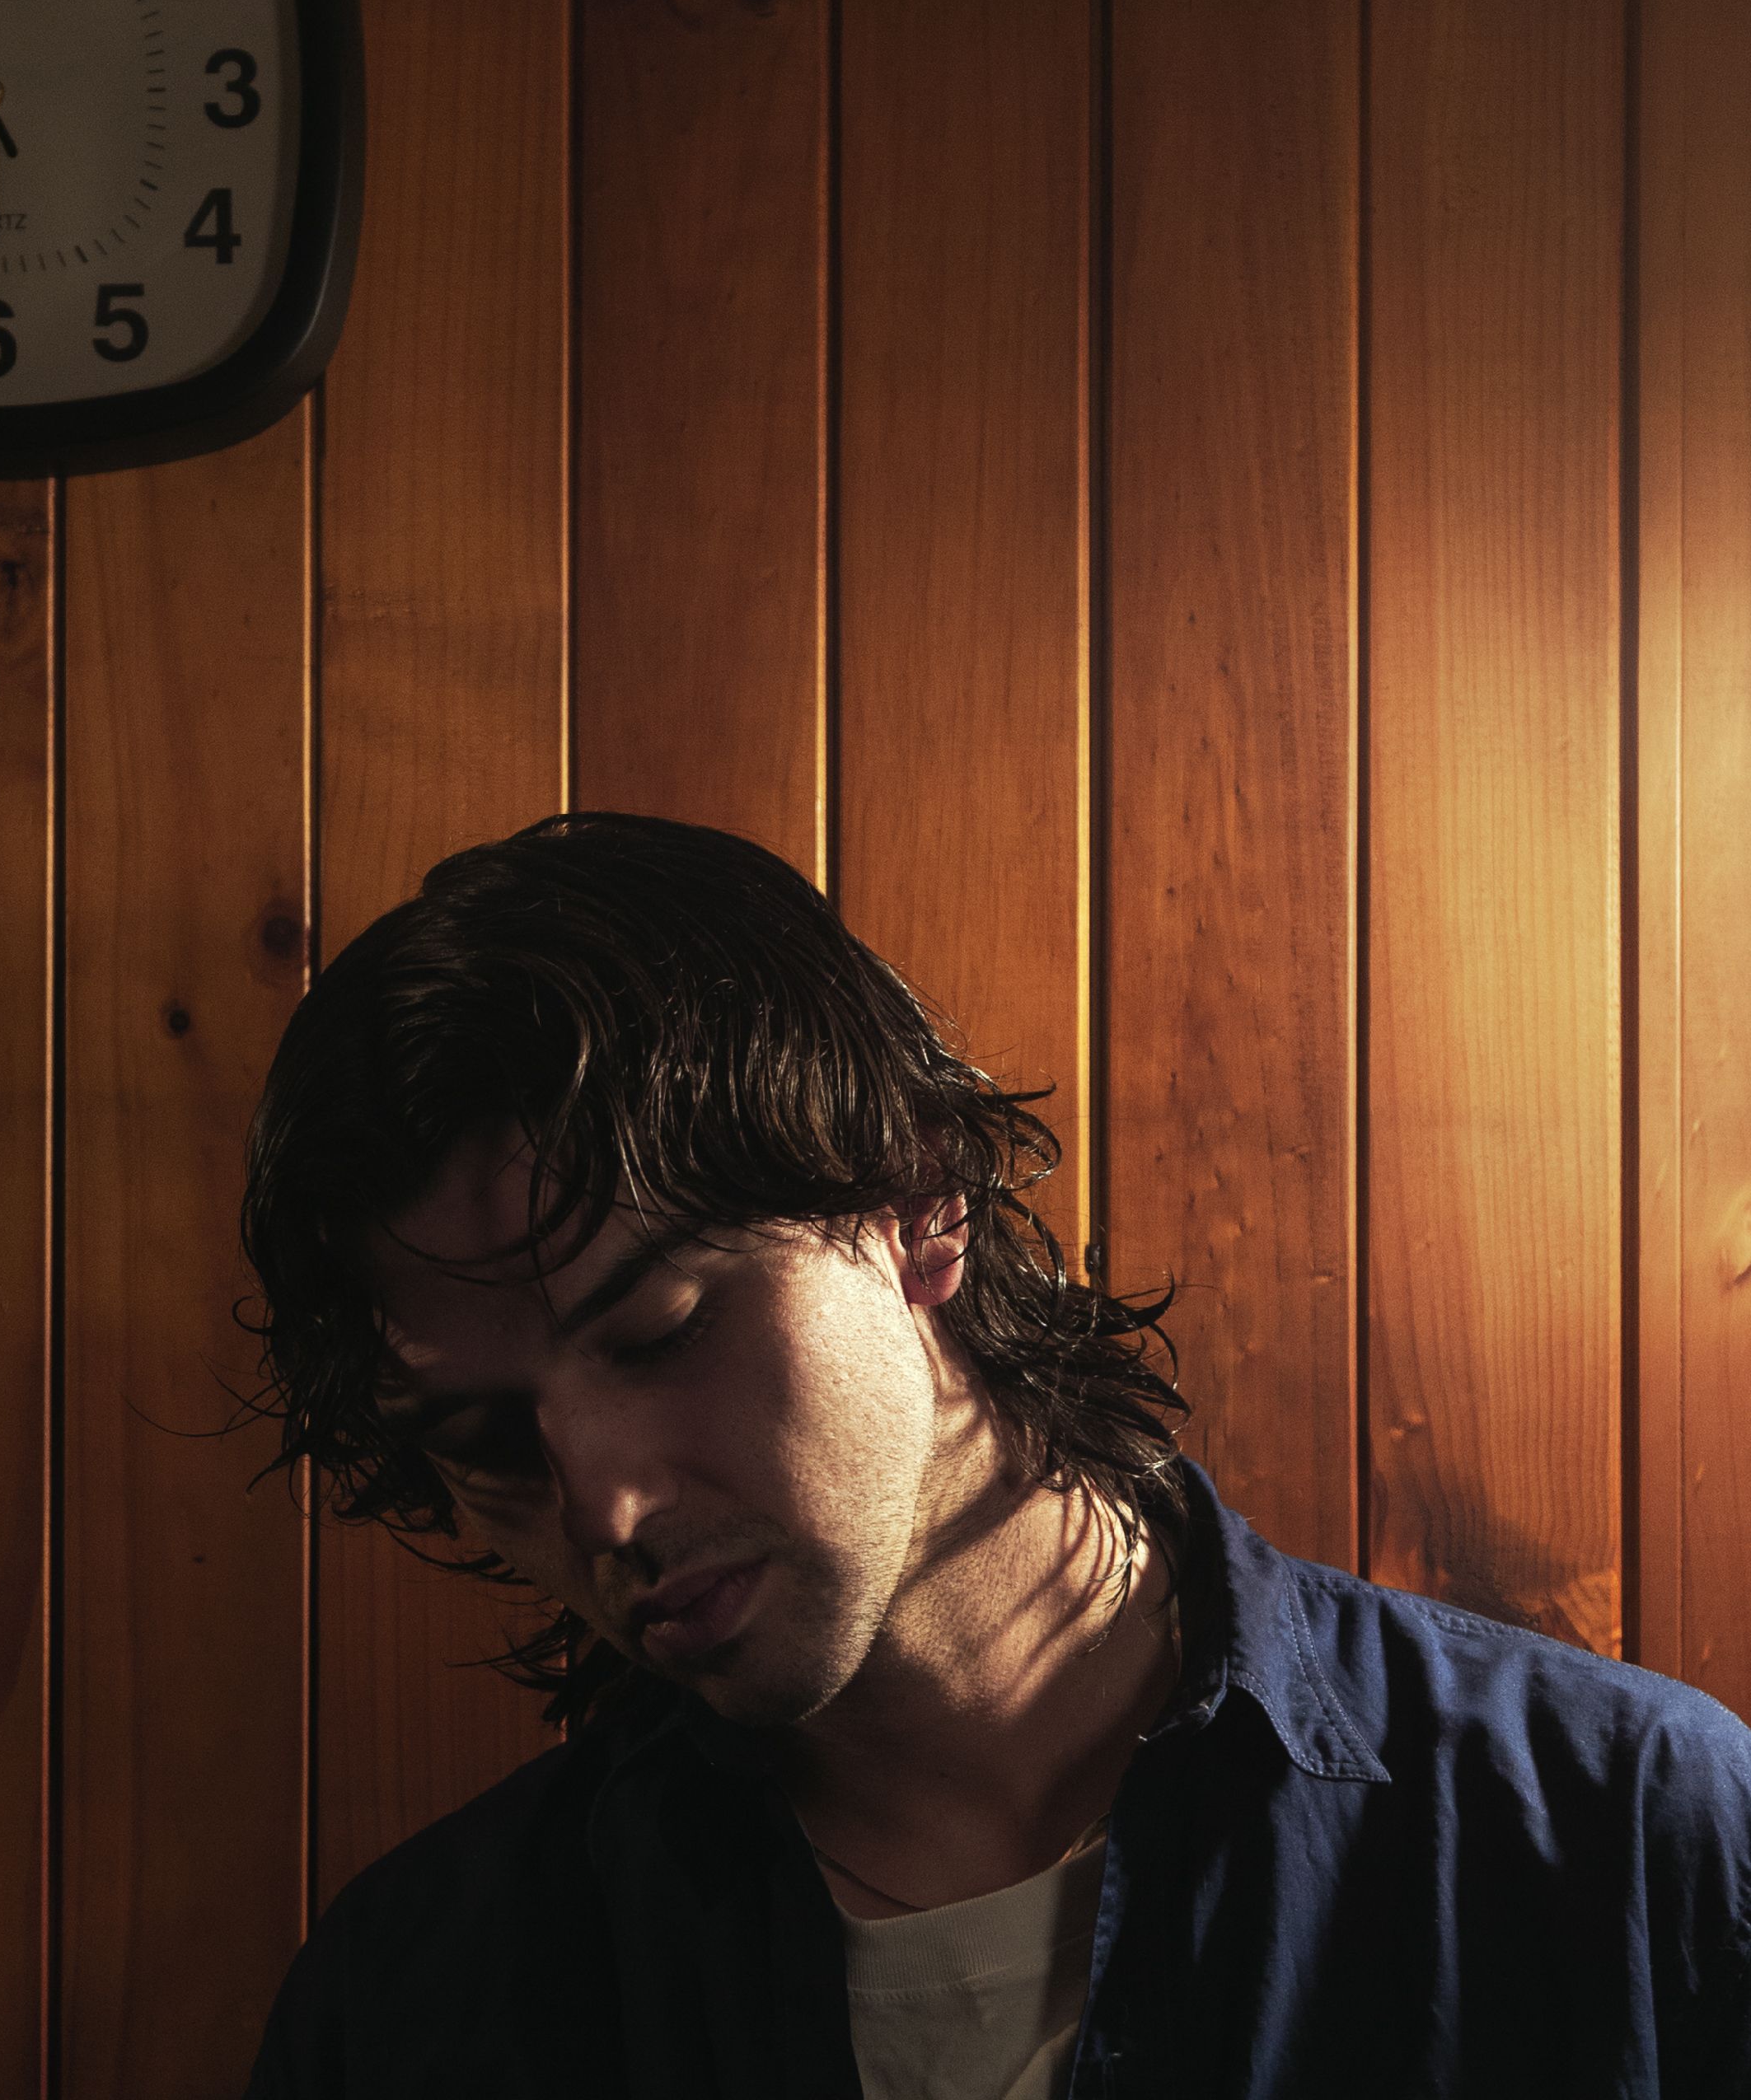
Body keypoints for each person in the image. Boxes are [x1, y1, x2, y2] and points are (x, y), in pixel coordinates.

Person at [233, 811, 1751, 2098]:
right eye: (489, 1440)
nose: (605, 1506)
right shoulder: (415, 1999)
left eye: (661, 1332)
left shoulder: (1627, 1834)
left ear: (916, 1197)